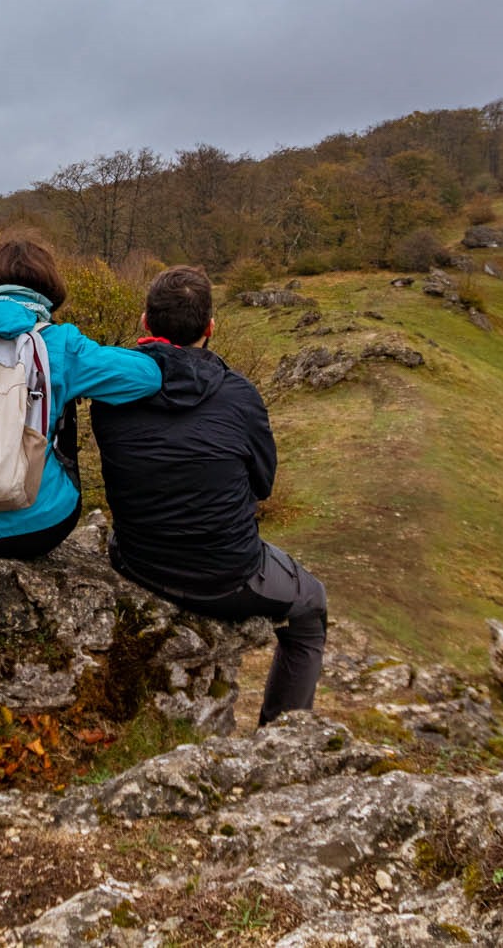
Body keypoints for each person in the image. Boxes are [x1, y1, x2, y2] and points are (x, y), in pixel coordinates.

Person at [92, 265, 328, 725]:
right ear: (210, 328)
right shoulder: (239, 395)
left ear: (145, 322)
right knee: (311, 603)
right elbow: (263, 485)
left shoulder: (111, 390)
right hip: (226, 575)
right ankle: (282, 737)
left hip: (136, 560)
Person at [0, 236, 161, 560]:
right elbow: (147, 378)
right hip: (39, 526)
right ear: (49, 289)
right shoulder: (60, 342)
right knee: (63, 399)